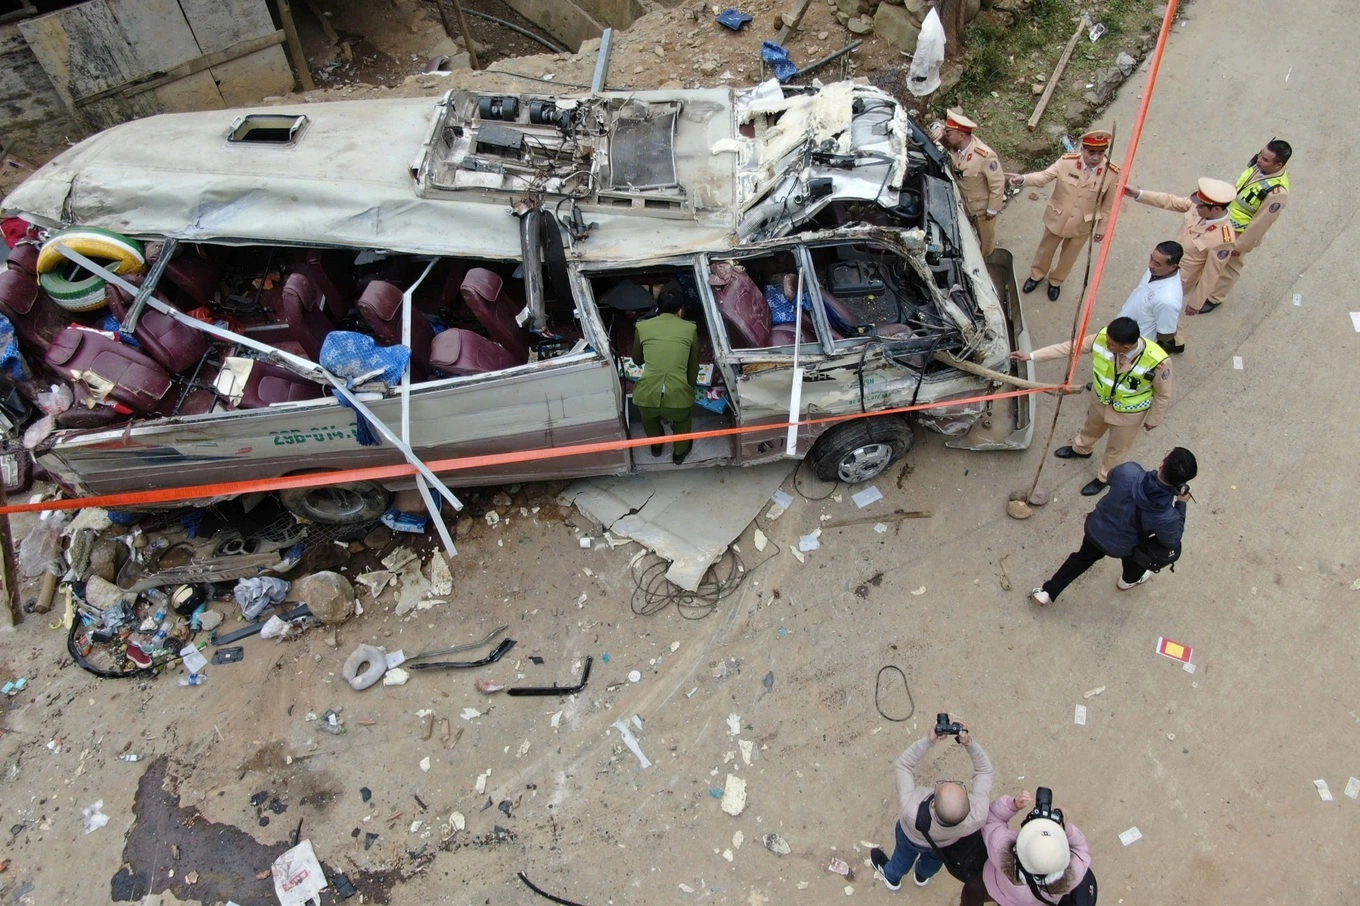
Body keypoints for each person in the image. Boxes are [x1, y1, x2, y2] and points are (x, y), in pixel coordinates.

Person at [1011, 316, 1172, 497]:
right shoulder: (1102, 338)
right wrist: (1031, 356)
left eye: (1111, 344)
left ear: (1126, 347)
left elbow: (1163, 394)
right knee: (1091, 428)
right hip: (1100, 400)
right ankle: (1081, 449)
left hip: (1128, 413)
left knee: (1117, 449)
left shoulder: (1157, 362)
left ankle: (1105, 477)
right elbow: (1070, 347)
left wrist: (1153, 419)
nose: (1106, 344)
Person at [1028, 447, 1196, 605]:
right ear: (1182, 484)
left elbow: (1110, 478)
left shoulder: (1129, 471)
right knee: (1136, 560)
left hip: (1096, 529)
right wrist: (1181, 504)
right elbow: (1171, 540)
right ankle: (1128, 581)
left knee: (1081, 559)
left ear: (1162, 463)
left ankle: (1047, 592)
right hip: (1125, 546)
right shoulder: (1167, 516)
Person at [870, 720, 994, 891]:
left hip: (910, 837)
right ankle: (922, 875)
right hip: (944, 844)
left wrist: (928, 741)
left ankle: (892, 877)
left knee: (902, 858)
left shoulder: (911, 809)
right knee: (934, 860)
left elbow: (904, 765)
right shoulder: (978, 815)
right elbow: (985, 771)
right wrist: (970, 744)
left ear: (933, 804)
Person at [1007, 130, 1119, 301]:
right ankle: (1036, 275)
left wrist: (1102, 229)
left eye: (1100, 153)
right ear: (1082, 149)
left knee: (1069, 257)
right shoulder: (1067, 162)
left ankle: (1056, 281)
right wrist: (1023, 179)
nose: (1096, 157)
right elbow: (1044, 176)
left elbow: (1108, 206)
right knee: (1045, 250)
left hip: (1082, 224)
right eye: (1091, 152)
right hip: (1057, 218)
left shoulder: (1111, 173)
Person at [1123, 176, 1236, 324]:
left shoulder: (1223, 239)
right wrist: (1139, 194)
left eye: (1201, 206)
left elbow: (1211, 273)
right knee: (1142, 297)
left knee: (1160, 313)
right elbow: (1170, 201)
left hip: (1178, 280)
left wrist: (1196, 303)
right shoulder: (1198, 207)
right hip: (1161, 265)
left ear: (1216, 209)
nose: (1196, 207)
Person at [959, 790, 1094, 906]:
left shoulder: (1002, 850)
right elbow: (1081, 849)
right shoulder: (1072, 875)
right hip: (1031, 903)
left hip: (994, 887)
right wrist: (1064, 828)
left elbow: (992, 819)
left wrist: (1012, 805)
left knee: (974, 890)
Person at [1217, 138, 1292, 302]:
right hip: (1226, 218)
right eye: (1261, 154)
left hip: (1239, 231)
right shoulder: (1260, 166)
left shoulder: (1277, 192)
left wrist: (1240, 245)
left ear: (1278, 165)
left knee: (1230, 264)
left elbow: (1261, 223)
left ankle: (1215, 297)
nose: (1259, 160)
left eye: (1265, 159)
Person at [632, 286, 699, 465]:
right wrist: (689, 390)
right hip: (677, 395)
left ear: (658, 308)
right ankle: (679, 454)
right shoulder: (690, 328)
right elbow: (693, 366)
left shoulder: (642, 326)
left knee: (649, 421)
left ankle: (656, 447)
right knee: (683, 422)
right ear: (680, 310)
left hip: (646, 395)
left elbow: (637, 360)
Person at [930, 110, 1006, 256]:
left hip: (982, 210)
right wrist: (938, 127)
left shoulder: (984, 155)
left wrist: (993, 209)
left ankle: (986, 262)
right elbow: (936, 129)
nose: (946, 135)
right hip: (964, 206)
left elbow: (997, 183)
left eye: (949, 132)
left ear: (961, 136)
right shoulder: (956, 145)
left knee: (987, 242)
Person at [1117, 240, 1184, 351]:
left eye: (1157, 263)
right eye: (1151, 258)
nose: (1151, 265)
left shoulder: (1168, 300)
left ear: (1173, 267)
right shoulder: (1156, 271)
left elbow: (1166, 334)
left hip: (1133, 344)